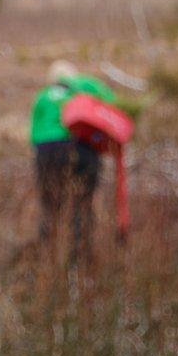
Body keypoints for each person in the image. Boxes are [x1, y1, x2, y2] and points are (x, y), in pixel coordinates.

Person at [28, 59, 115, 259]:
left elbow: (33, 133)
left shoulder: (42, 97)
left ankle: (46, 253)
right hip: (81, 149)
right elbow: (109, 98)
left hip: (46, 151)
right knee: (82, 205)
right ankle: (80, 256)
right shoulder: (82, 92)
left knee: (50, 205)